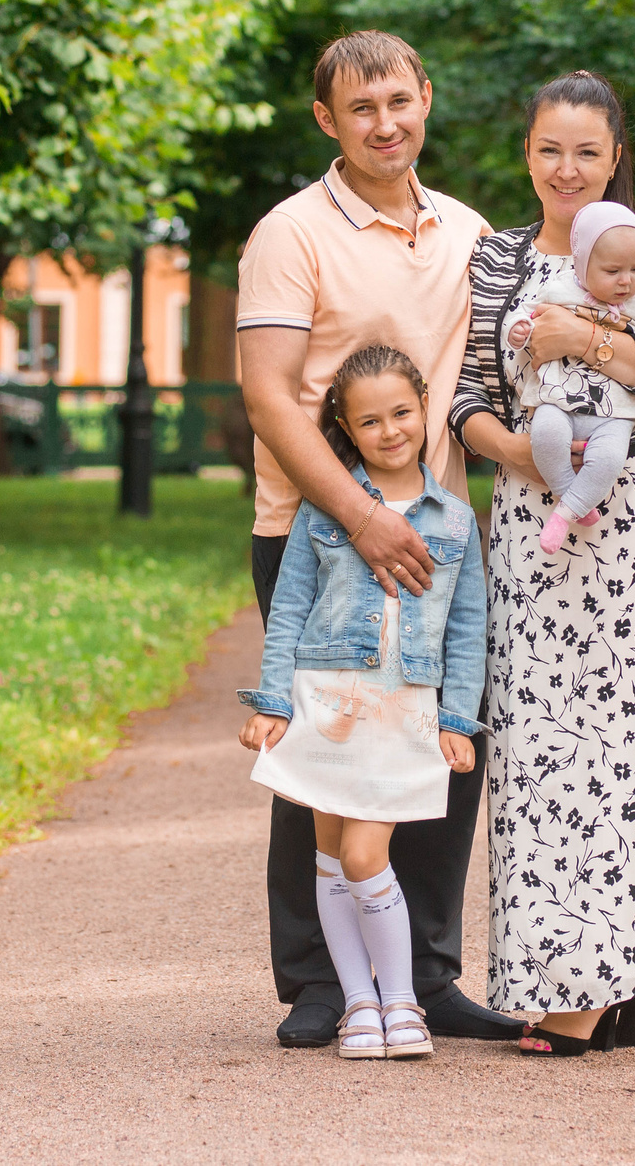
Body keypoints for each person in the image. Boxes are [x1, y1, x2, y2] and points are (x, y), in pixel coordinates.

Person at [234, 30, 517, 1049]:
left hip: (435, 543)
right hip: (320, 538)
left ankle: (427, 974)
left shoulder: (470, 232)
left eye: (398, 101)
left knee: (440, 746)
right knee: (323, 753)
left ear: (425, 99)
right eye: (361, 109)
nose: (384, 123)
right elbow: (268, 397)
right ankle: (319, 983)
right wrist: (360, 515)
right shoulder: (290, 233)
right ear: (327, 121)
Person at [450, 69, 635, 1057]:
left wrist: (573, 337)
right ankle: (562, 973)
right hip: (529, 516)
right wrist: (518, 456)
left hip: (634, 513)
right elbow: (469, 391)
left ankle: (605, 980)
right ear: (528, 153)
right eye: (550, 149)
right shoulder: (496, 257)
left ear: (614, 157)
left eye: (587, 152)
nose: (567, 169)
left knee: (625, 734)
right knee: (537, 741)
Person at [238, 346, 489, 1060]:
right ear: (346, 427)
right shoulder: (325, 510)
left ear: (424, 408)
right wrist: (274, 703)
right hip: (325, 704)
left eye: (402, 412)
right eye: (370, 420)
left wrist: (455, 718)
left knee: (361, 852)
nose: (389, 430)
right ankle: (360, 1006)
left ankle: (403, 999)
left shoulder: (454, 520)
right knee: (329, 859)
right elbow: (289, 610)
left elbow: (469, 629)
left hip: (400, 712)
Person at [503, 200, 635, 554]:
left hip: (615, 411)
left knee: (610, 457)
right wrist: (520, 329)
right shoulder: (561, 288)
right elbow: (525, 312)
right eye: (613, 270)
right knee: (546, 435)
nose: (626, 280)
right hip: (559, 398)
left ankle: (566, 512)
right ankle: (570, 492)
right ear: (582, 266)